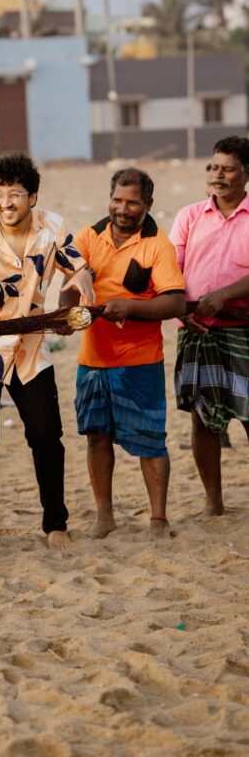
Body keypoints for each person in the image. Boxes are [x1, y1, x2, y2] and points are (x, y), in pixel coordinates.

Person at [0, 152, 95, 551]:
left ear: (32, 197)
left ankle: (56, 523)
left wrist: (81, 281)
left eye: (14, 194)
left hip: (31, 347)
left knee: (47, 436)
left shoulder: (53, 227)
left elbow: (75, 266)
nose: (5, 203)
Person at [66, 168, 186, 539]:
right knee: (96, 436)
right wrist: (75, 278)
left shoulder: (158, 245)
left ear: (147, 205)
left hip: (140, 361)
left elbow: (175, 302)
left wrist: (130, 307)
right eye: (117, 200)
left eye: (132, 202)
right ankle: (105, 517)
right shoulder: (88, 236)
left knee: (151, 441)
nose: (123, 208)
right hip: (93, 360)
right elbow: (65, 295)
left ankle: (158, 520)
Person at [170, 136, 249, 515]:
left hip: (242, 329)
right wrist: (178, 309)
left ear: (245, 174)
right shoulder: (189, 216)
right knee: (203, 419)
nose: (218, 174)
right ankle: (213, 502)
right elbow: (170, 269)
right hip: (196, 329)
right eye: (214, 167)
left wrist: (226, 293)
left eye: (227, 168)